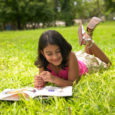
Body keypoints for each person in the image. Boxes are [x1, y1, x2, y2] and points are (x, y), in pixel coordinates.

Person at [34, 17, 111, 89]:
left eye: (58, 51)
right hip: (77, 61)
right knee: (87, 54)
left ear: (62, 47)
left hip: (86, 65)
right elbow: (43, 83)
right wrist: (40, 82)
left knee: (108, 64)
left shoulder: (70, 56)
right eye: (49, 54)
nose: (55, 57)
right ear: (42, 53)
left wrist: (54, 79)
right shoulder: (43, 61)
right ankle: (88, 34)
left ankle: (88, 40)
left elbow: (73, 83)